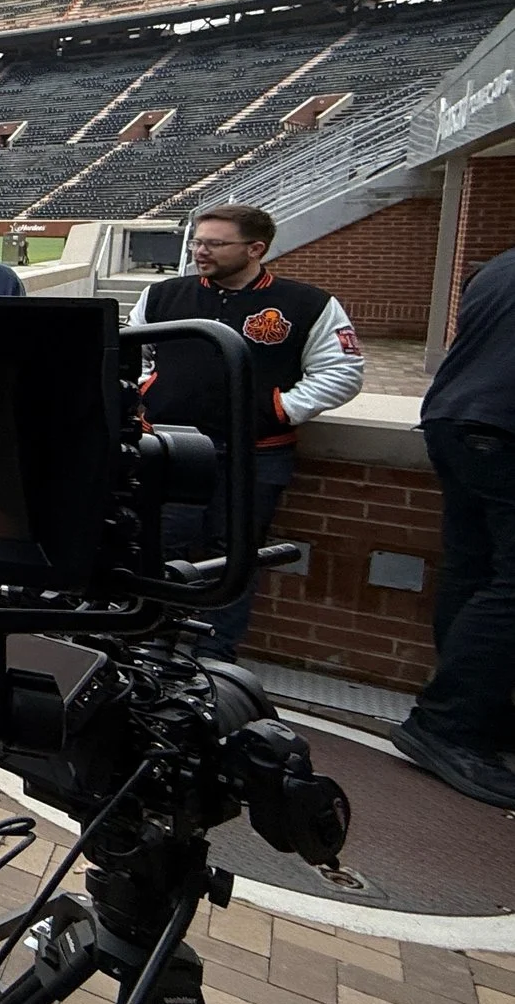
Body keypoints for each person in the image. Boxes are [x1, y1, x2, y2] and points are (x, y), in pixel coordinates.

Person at [130, 203, 364, 658]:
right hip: (173, 450)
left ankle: (214, 658)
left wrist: (278, 409)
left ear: (255, 248)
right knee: (161, 548)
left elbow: (342, 374)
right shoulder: (163, 295)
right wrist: (149, 393)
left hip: (256, 455)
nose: (200, 251)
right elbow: (134, 354)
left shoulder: (308, 304)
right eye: (197, 241)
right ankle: (150, 646)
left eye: (215, 244)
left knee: (234, 557)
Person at [392, 246, 515, 806]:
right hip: (506, 426)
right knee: (510, 586)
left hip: (455, 420)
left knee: (472, 569)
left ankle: (473, 709)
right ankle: (452, 723)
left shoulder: (500, 264)